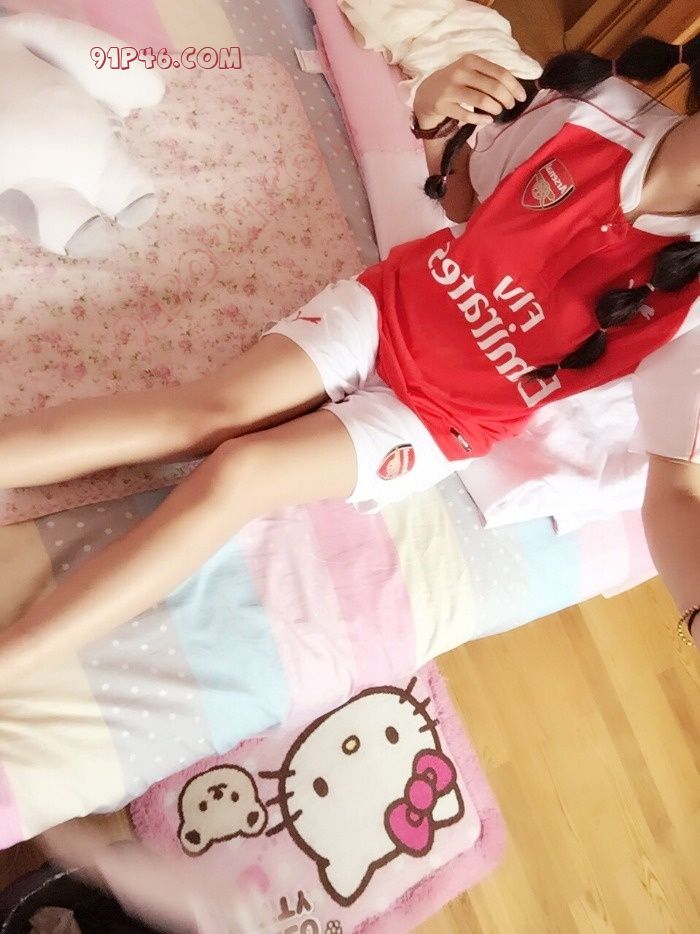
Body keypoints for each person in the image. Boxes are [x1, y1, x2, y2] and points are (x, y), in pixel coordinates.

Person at [0, 36, 698, 684]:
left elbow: (675, 487)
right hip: (388, 306)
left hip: (445, 418)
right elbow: (463, 200)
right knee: (206, 413)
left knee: (240, 474)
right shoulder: (590, 110)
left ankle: (15, 659)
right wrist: (432, 115)